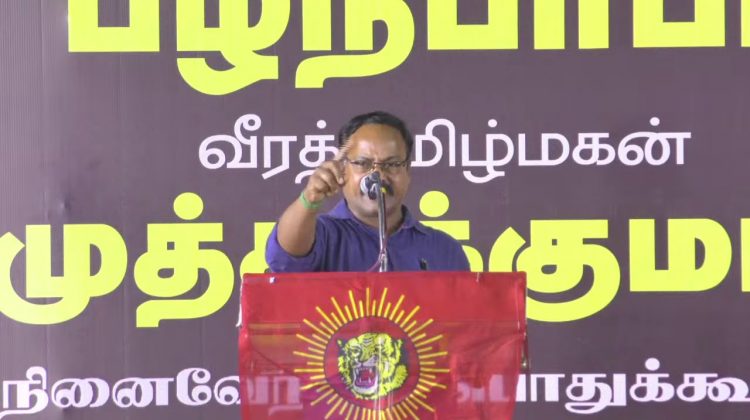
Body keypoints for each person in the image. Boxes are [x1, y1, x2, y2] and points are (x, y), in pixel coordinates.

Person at [265, 111, 470, 272]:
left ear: (407, 171)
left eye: (392, 164)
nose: (378, 176)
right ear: (343, 170)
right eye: (363, 163)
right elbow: (283, 260)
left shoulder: (444, 249)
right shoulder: (323, 235)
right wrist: (310, 198)